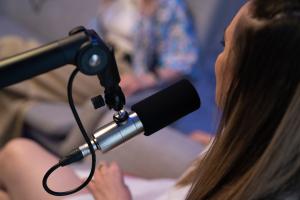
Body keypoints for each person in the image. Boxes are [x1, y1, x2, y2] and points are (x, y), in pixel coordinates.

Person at [0, 0, 300, 199]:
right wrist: (214, 145)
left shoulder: (170, 10)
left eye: (225, 47)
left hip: (131, 83)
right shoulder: (265, 154)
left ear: (254, 90)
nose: (217, 61)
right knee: (15, 149)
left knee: (14, 155)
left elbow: (180, 60)